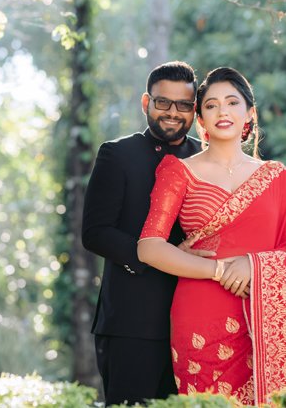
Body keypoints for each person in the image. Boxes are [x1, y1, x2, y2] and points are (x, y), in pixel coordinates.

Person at [137, 67, 286, 405]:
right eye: (211, 105)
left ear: (250, 113)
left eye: (232, 102)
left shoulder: (276, 177)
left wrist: (252, 265)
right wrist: (219, 270)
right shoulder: (179, 171)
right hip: (201, 315)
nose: (222, 112)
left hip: (265, 319)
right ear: (200, 118)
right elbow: (149, 247)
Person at [82, 61, 204, 405]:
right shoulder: (117, 154)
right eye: (163, 102)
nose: (173, 113)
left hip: (197, 321)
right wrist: (160, 256)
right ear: (146, 102)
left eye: (183, 105)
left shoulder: (206, 158)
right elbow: (95, 232)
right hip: (131, 323)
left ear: (194, 109)